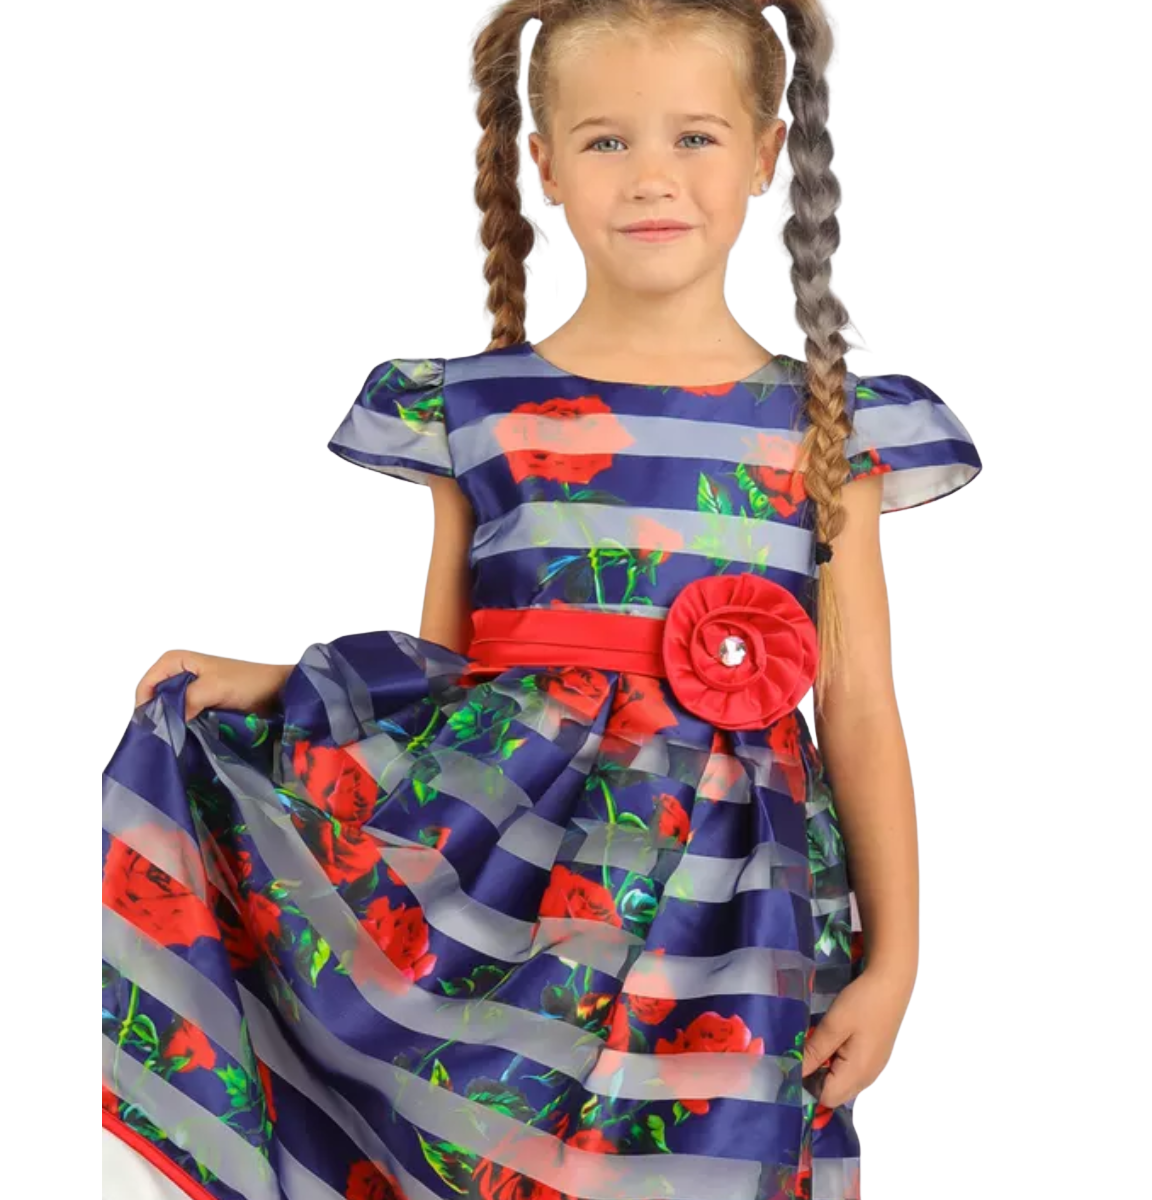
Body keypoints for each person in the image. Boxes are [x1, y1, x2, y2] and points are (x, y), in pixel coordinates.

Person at [100, 2, 982, 1198]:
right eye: (608, 140)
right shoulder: (473, 410)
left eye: (696, 136)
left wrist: (898, 964)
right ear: (545, 165)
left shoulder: (830, 426)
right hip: (522, 911)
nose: (652, 176)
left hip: (743, 913)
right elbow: (439, 694)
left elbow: (862, 705)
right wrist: (271, 690)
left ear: (768, 153)